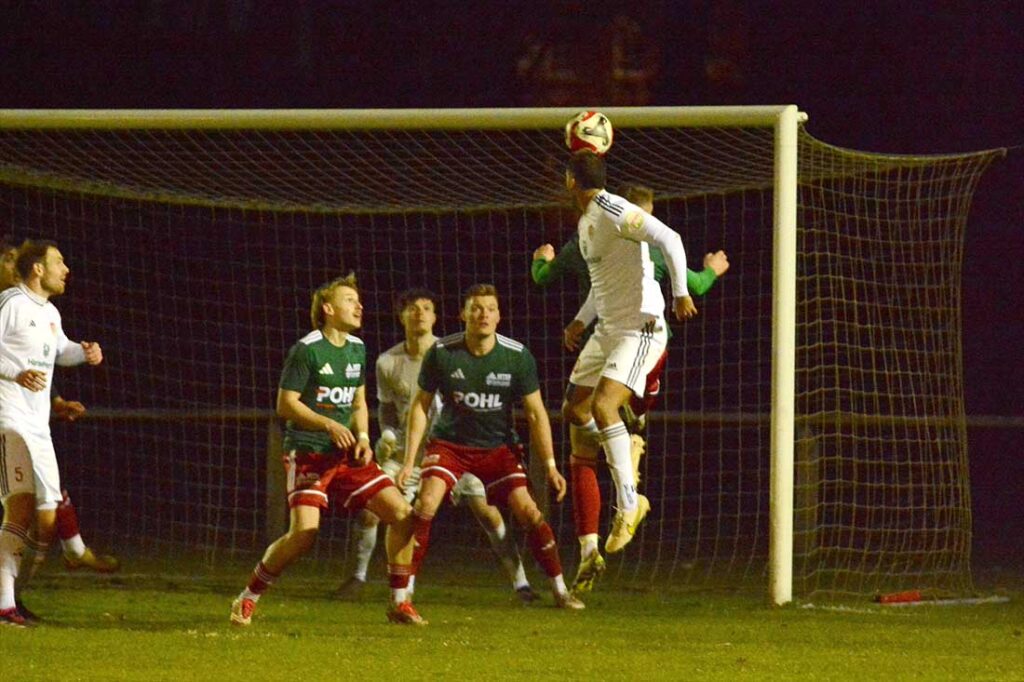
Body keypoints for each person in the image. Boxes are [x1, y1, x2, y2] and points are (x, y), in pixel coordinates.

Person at [533, 183, 728, 594]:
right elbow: (698, 284)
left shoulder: (637, 240)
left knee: (607, 412)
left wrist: (540, 262)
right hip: (613, 338)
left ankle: (627, 493)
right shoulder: (604, 234)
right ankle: (593, 537)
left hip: (644, 344)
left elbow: (544, 276)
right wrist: (712, 270)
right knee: (578, 419)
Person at [230, 274, 424, 627]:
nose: (359, 305)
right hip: (308, 453)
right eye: (350, 300)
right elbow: (285, 404)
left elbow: (358, 402)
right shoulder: (307, 350)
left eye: (358, 299)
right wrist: (328, 424)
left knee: (402, 513)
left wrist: (363, 436)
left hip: (347, 457)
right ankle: (248, 597)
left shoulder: (358, 348)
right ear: (328, 309)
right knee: (304, 534)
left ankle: (399, 602)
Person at [336, 288, 538, 603]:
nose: (419, 313)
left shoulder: (449, 351)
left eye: (427, 307)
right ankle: (361, 577)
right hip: (407, 454)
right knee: (372, 512)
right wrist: (387, 435)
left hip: (455, 449)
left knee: (487, 512)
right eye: (412, 308)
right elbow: (388, 409)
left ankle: (521, 583)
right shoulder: (387, 361)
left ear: (436, 316)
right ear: (400, 316)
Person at [393, 284, 583, 610]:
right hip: (450, 445)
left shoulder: (517, 356)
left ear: (499, 316)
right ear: (463, 314)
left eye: (490, 309)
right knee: (425, 505)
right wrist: (410, 461)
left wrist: (550, 465)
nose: (483, 315)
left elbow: (536, 414)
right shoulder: (441, 352)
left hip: (497, 448)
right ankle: (404, 592)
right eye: (476, 308)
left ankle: (561, 590)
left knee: (528, 511)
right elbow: (420, 407)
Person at [559, 151, 698, 592]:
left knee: (603, 407)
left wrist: (679, 293)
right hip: (607, 330)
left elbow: (670, 239)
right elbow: (604, 288)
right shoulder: (586, 225)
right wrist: (582, 321)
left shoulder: (614, 209)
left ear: (569, 181)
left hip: (640, 329)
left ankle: (628, 502)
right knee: (575, 411)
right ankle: (625, 443)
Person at [0, 236, 119, 579]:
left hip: (36, 425)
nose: (67, 270)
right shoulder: (10, 303)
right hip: (9, 421)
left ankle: (16, 595)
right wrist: (16, 374)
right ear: (36, 269)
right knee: (19, 511)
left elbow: (52, 353)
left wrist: (83, 353)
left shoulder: (47, 311)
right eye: (59, 262)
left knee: (46, 513)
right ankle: (9, 598)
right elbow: (19, 364)